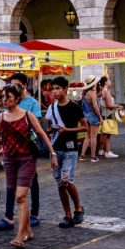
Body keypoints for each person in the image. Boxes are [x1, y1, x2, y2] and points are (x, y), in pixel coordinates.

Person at [0, 83, 56, 249]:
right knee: (19, 196)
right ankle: (27, 229)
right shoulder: (1, 117)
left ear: (17, 99)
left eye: (8, 98)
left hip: (27, 159)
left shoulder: (27, 115)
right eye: (3, 97)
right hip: (10, 161)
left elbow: (41, 133)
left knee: (20, 196)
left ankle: (20, 236)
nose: (4, 101)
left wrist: (52, 154)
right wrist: (7, 143)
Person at [0, 73, 42, 231]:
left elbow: (35, 129)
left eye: (15, 85)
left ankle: (34, 214)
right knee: (10, 185)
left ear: (23, 86)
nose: (11, 88)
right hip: (12, 152)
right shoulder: (6, 108)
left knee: (32, 182)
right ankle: (9, 216)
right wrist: (5, 145)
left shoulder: (32, 104)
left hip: (28, 151)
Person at [45, 77, 85, 228]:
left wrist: (67, 130)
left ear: (65, 89)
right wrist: (50, 129)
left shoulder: (74, 107)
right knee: (60, 183)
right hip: (55, 149)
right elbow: (48, 128)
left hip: (70, 149)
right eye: (53, 89)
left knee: (67, 180)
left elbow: (84, 127)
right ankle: (67, 215)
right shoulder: (52, 108)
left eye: (57, 88)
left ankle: (78, 208)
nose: (54, 91)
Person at [79, 75, 102, 162]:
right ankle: (93, 157)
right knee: (93, 137)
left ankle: (82, 155)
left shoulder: (85, 92)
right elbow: (95, 106)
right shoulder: (92, 92)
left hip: (86, 116)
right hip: (93, 116)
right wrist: (100, 117)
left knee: (87, 136)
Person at [97, 78, 120, 158]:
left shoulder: (102, 91)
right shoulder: (106, 91)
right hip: (108, 114)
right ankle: (107, 151)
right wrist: (118, 106)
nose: (110, 82)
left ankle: (103, 150)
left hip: (104, 114)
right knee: (107, 134)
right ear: (106, 82)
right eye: (109, 80)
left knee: (105, 134)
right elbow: (109, 105)